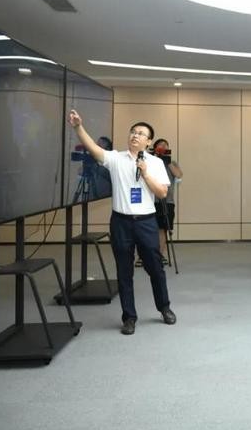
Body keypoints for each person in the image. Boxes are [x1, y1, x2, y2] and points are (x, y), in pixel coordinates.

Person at [67, 110, 175, 336]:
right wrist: (78, 127)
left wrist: (145, 174)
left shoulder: (155, 163)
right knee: (124, 272)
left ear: (149, 141)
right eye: (133, 132)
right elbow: (93, 148)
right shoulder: (116, 158)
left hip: (146, 222)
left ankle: (164, 307)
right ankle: (129, 317)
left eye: (141, 133)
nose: (135, 135)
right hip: (121, 223)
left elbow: (162, 193)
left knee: (155, 268)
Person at [152, 139, 182, 264]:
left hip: (167, 201)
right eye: (160, 145)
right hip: (150, 201)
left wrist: (167, 162)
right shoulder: (150, 161)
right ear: (155, 148)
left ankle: (159, 256)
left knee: (162, 229)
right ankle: (144, 256)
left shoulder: (172, 163)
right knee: (147, 229)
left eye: (166, 146)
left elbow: (179, 175)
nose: (163, 147)